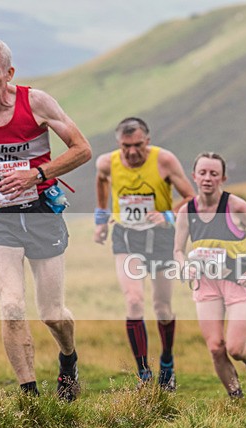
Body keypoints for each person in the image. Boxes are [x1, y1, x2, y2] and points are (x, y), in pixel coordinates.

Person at [0, 37, 91, 399]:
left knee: (51, 313)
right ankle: (30, 397)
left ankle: (68, 358)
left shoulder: (36, 102)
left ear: (9, 72)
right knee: (12, 304)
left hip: (42, 213)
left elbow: (82, 149)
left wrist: (38, 174)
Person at [94, 117, 195, 389]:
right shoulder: (107, 162)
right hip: (126, 237)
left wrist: (168, 215)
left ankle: (167, 363)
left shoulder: (165, 161)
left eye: (138, 145)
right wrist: (101, 219)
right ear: (119, 144)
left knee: (162, 306)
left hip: (161, 238)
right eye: (126, 146)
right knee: (134, 301)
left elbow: (190, 198)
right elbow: (101, 180)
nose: (132, 151)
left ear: (147, 141)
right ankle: (144, 374)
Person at [173, 152, 246, 398]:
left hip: (237, 282)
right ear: (194, 176)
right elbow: (177, 250)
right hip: (205, 285)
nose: (207, 178)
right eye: (202, 173)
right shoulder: (186, 212)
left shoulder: (235, 206)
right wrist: (184, 266)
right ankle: (235, 397)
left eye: (213, 174)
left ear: (222, 178)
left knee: (235, 348)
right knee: (216, 347)